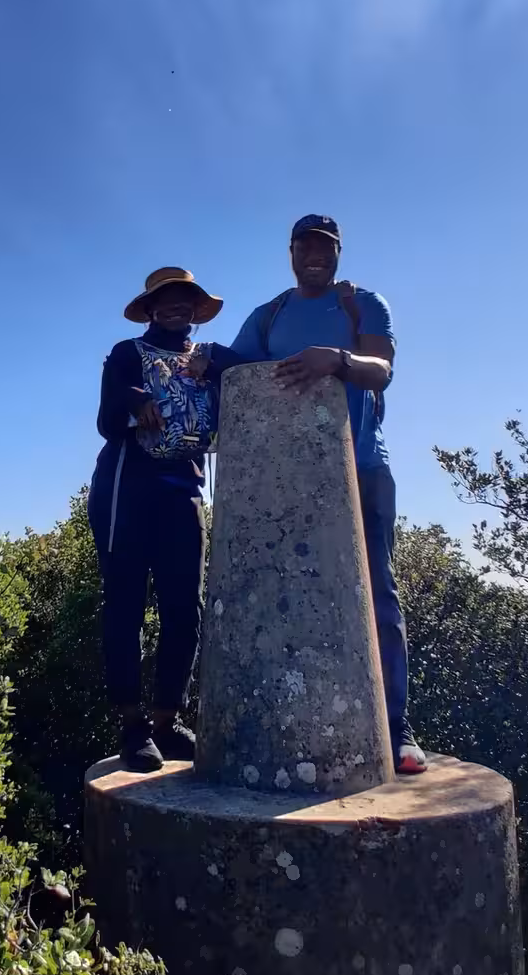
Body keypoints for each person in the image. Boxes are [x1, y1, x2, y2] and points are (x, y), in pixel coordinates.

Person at [229, 216, 428, 774]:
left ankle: (396, 731)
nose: (315, 256)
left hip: (362, 466)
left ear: (338, 253)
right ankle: (292, 729)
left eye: (325, 248)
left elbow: (381, 371)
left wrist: (336, 360)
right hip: (285, 479)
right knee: (285, 594)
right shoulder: (269, 314)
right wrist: (199, 360)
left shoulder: (361, 302)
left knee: (377, 593)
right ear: (290, 253)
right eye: (305, 247)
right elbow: (237, 364)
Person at [88, 266, 241, 772]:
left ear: (196, 310)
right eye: (167, 300)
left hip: (184, 491)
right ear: (151, 309)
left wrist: (215, 365)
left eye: (186, 301)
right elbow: (107, 420)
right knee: (126, 605)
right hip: (127, 489)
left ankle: (166, 722)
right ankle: (132, 726)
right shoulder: (127, 354)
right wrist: (138, 402)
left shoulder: (209, 359)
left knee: (184, 609)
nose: (178, 308)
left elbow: (250, 376)